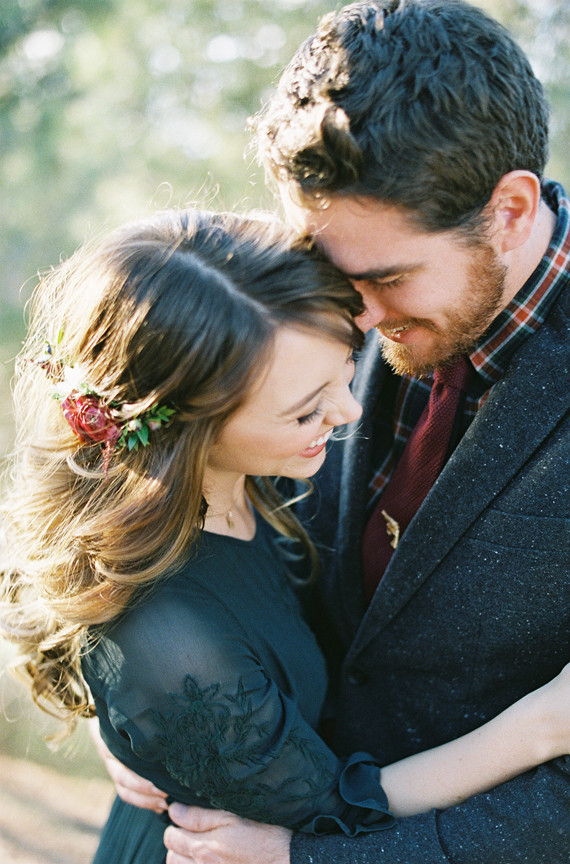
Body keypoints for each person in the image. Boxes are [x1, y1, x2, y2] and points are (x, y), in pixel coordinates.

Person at [0, 207, 568, 864]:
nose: (350, 410)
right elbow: (335, 808)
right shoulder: (172, 637)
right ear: (189, 429)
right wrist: (539, 728)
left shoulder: (254, 468)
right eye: (306, 409)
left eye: (344, 370)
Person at [142, 1, 568, 862]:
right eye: (331, 273)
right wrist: (153, 716)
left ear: (511, 211)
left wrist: (316, 860)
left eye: (389, 278)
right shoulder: (312, 305)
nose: (359, 318)